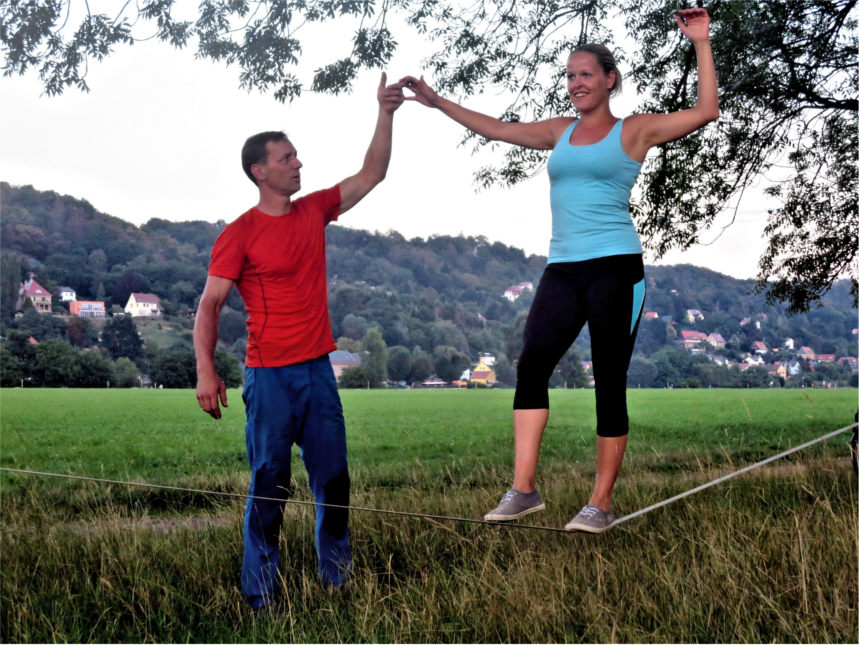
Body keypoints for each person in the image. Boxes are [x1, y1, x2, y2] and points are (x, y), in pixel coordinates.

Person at [401, 8, 718, 533]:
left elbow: (706, 110)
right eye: (570, 76)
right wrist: (436, 102)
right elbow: (497, 130)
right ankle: (524, 489)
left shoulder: (634, 131)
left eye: (586, 74)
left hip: (616, 267)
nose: (576, 83)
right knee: (531, 366)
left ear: (609, 79)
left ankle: (601, 501)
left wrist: (701, 43)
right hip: (563, 268)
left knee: (609, 381)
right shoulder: (559, 132)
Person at [193, 73, 405, 610]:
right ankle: (260, 591)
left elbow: (373, 173)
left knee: (334, 481)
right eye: (287, 158)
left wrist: (385, 112)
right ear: (259, 171)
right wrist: (205, 370)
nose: (298, 163)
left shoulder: (313, 211)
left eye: (297, 156)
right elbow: (210, 305)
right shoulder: (238, 233)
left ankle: (336, 579)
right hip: (268, 377)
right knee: (270, 484)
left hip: (316, 371)